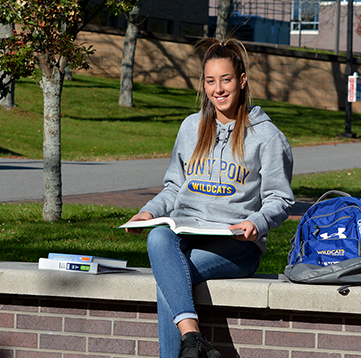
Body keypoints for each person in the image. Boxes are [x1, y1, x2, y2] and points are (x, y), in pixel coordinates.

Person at [125, 37, 295, 358]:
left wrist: (257, 222)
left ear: (242, 81)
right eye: (211, 81)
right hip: (188, 234)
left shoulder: (267, 136)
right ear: (203, 85)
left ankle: (191, 345)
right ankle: (193, 339)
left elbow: (280, 199)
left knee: (171, 280)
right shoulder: (192, 127)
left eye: (226, 79)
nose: (219, 89)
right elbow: (174, 187)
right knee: (158, 238)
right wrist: (147, 213)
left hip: (237, 245)